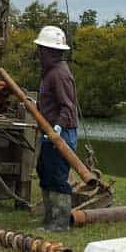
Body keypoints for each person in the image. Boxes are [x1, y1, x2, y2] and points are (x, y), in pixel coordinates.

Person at [34, 24, 78, 232]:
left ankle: (59, 223)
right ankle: (50, 218)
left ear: (53, 52)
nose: (39, 53)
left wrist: (58, 128)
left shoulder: (60, 74)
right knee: (45, 171)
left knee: (57, 176)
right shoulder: (49, 72)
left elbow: (68, 107)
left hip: (61, 133)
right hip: (49, 133)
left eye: (42, 49)